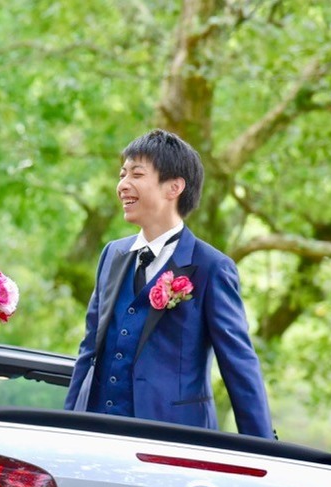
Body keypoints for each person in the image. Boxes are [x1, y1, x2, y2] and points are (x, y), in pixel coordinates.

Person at [64, 128, 274, 438]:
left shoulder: (211, 267)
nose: (122, 185)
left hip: (173, 441)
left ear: (173, 187)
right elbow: (89, 348)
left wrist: (263, 451)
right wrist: (67, 423)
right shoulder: (113, 254)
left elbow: (239, 366)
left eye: (137, 174)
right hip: (96, 434)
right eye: (122, 174)